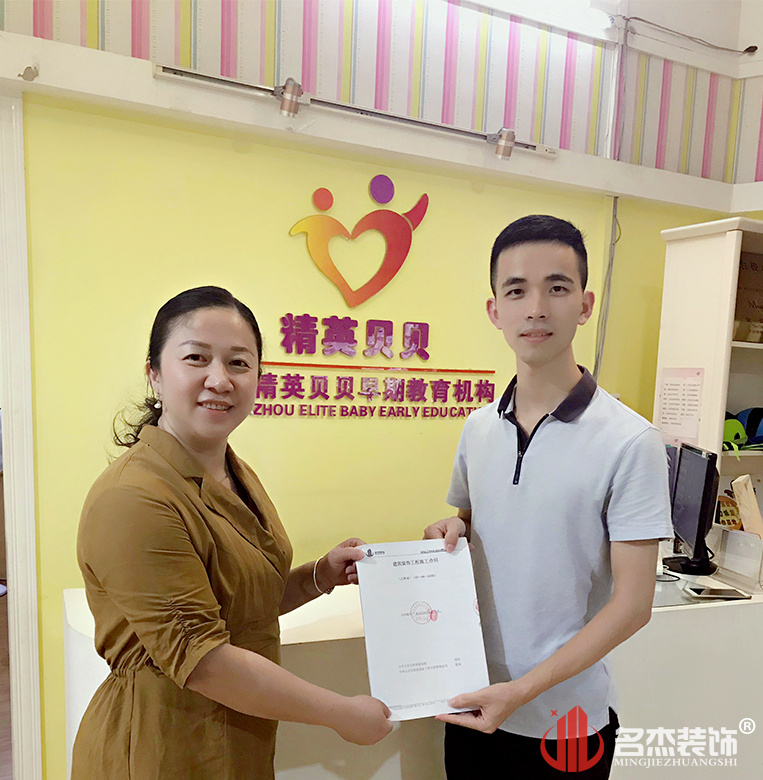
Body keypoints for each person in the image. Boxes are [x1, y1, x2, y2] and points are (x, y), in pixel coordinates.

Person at [73, 286, 392, 779]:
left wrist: (319, 576)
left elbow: (238, 604)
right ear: (154, 374)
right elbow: (203, 660)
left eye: (239, 363)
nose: (219, 380)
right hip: (162, 747)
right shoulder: (133, 497)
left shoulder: (232, 472)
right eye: (196, 358)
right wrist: (342, 714)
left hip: (238, 737)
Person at [424, 215, 672, 779]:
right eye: (517, 291)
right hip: (473, 703)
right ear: (495, 310)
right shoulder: (478, 427)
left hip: (566, 726)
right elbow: (472, 522)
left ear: (584, 305)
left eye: (556, 288)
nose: (536, 308)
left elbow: (633, 605)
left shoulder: (631, 441)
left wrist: (521, 691)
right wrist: (452, 531)